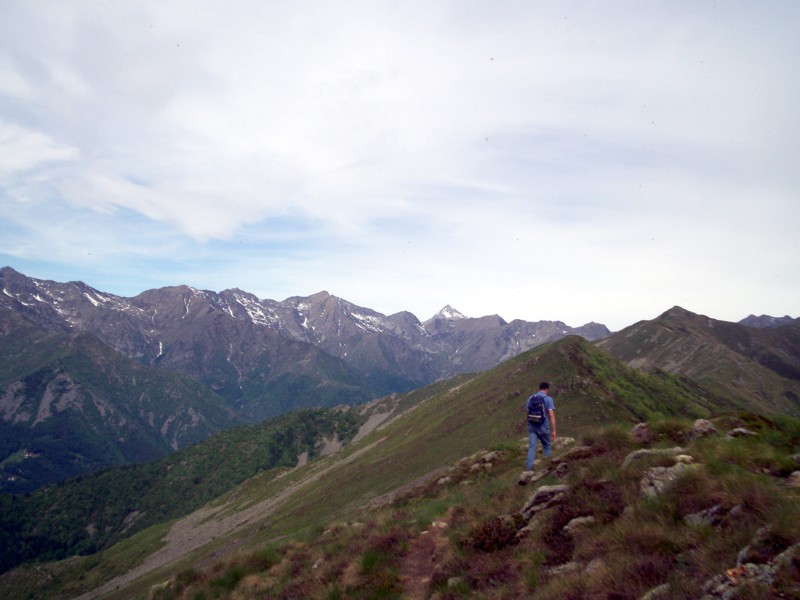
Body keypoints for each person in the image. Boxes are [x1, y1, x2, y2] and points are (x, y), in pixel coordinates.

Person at [525, 381, 556, 471]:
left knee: (532, 447)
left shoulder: (531, 398)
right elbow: (551, 415)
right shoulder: (548, 399)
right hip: (543, 426)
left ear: (539, 388)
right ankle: (547, 468)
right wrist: (554, 430)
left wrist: (529, 424)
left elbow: (527, 412)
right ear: (547, 389)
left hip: (532, 426)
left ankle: (529, 470)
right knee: (547, 446)